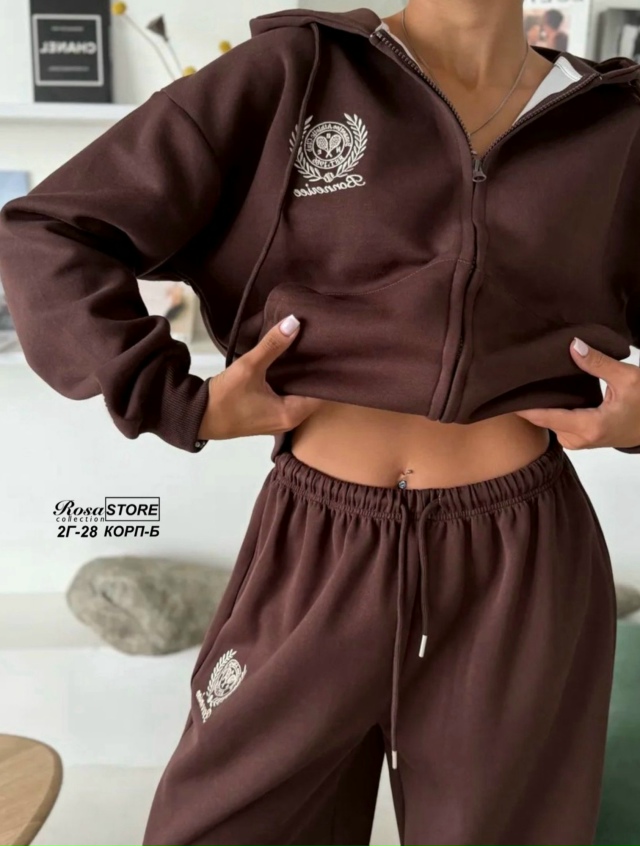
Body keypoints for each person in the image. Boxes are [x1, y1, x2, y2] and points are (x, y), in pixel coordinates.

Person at [0, 0, 639, 844]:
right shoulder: (294, 73)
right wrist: (178, 399)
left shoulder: (616, 121)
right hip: (319, 545)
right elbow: (48, 231)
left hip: (522, 563)